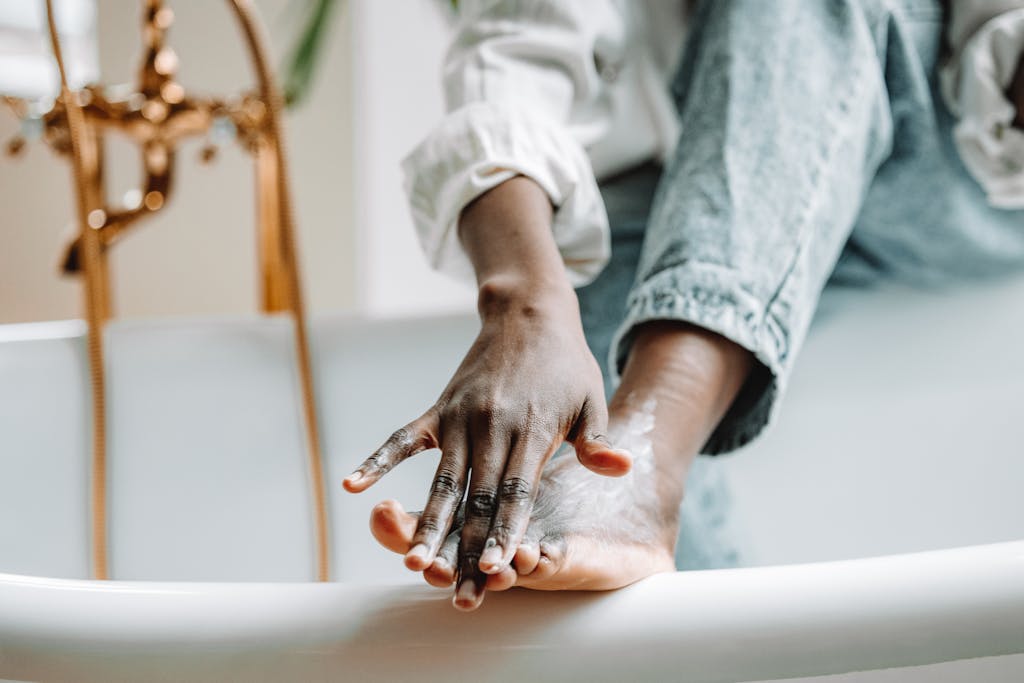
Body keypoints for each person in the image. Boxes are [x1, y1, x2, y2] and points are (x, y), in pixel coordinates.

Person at [344, 0, 1024, 611]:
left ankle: (642, 467)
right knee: (582, 262)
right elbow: (514, 61)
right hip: (748, 202)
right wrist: (524, 304)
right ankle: (726, 638)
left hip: (966, 179)